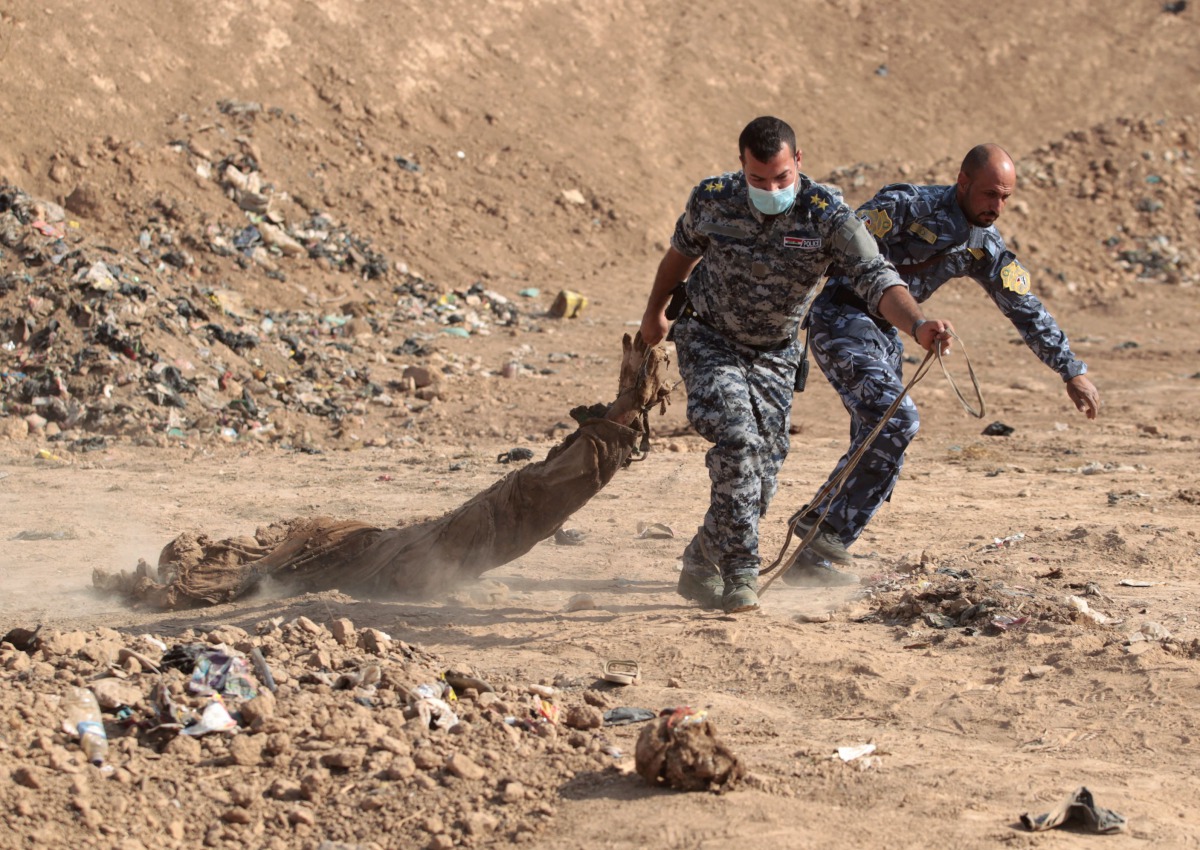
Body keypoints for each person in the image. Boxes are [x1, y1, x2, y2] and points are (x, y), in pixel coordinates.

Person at [639, 116, 952, 614]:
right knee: (738, 440)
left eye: (781, 178)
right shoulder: (713, 199)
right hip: (709, 338)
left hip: (776, 353)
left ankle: (701, 558)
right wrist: (654, 313)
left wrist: (917, 326)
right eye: (759, 180)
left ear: (798, 163)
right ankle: (742, 572)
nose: (771, 189)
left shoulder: (826, 213)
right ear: (742, 165)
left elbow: (876, 276)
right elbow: (679, 255)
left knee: (759, 482)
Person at [790, 144, 1101, 579]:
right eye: (990, 194)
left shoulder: (984, 246)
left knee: (882, 445)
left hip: (888, 337)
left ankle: (812, 559)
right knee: (896, 421)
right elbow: (833, 245)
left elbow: (1025, 307)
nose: (997, 207)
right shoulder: (906, 206)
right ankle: (821, 527)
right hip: (841, 318)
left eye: (1006, 198)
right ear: (963, 182)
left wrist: (1071, 370)